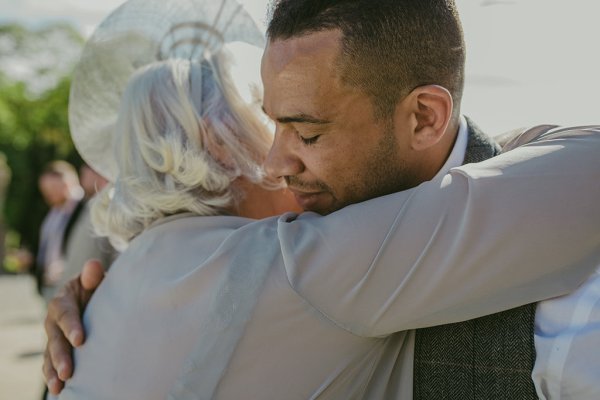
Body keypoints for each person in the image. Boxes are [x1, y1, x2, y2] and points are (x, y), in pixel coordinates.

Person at [44, 0, 600, 399]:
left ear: (426, 117)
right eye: (271, 128)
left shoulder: (108, 290)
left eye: (305, 132)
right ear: (221, 153)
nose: (274, 163)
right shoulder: (305, 266)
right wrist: (508, 149)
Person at [55, 164, 116, 289]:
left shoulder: (109, 210)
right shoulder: (88, 206)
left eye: (88, 166)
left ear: (101, 172)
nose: (82, 170)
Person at [35, 161, 83, 302]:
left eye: (53, 188)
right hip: (52, 286)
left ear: (69, 182)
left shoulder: (84, 209)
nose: (49, 194)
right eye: (45, 190)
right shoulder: (53, 213)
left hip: (74, 287)